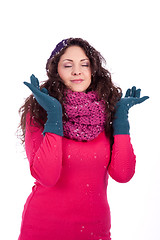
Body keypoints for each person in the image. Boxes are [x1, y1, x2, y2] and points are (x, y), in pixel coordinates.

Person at [17, 38, 149, 240]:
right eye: (68, 65)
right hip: (43, 229)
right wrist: (54, 114)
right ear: (56, 72)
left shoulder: (107, 113)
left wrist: (121, 118)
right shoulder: (39, 113)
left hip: (95, 231)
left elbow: (123, 174)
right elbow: (47, 177)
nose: (77, 71)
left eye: (84, 64)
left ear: (93, 70)